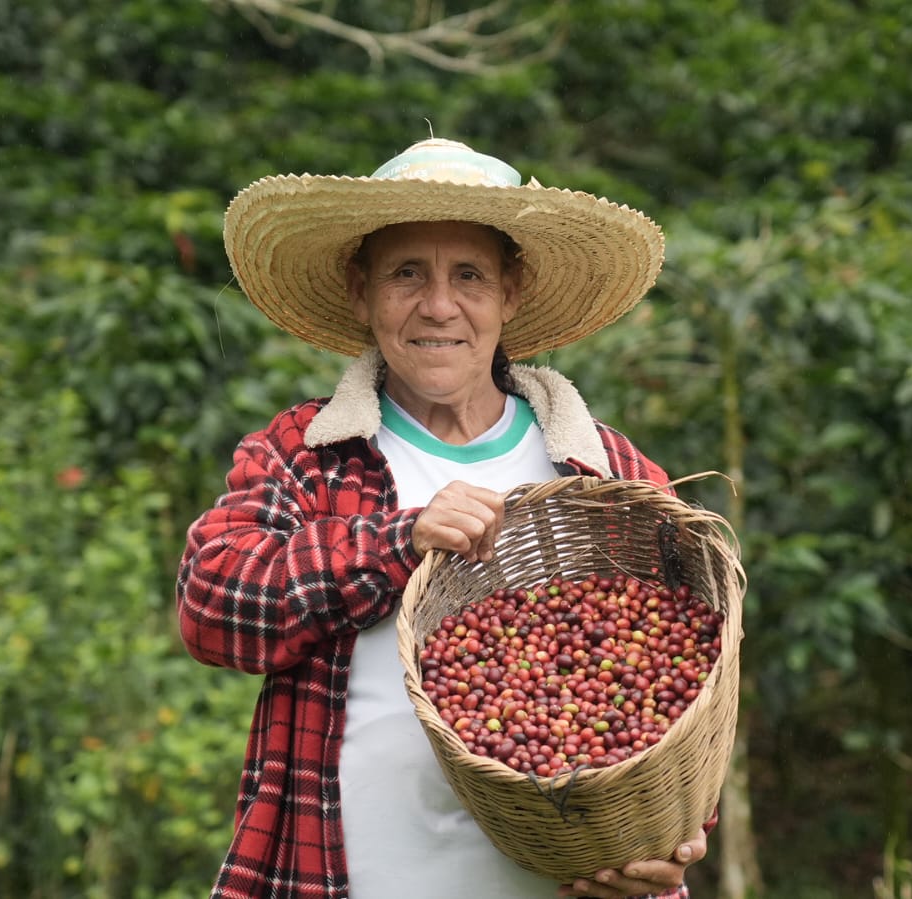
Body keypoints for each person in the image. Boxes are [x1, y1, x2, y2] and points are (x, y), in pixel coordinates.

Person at [176, 138, 710, 899]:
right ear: (360, 293)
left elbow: (688, 687)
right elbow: (211, 606)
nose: (437, 305)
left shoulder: (606, 475)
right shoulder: (307, 453)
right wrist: (398, 542)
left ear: (510, 294)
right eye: (405, 274)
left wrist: (674, 839)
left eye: (468, 275)